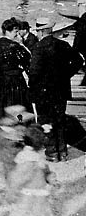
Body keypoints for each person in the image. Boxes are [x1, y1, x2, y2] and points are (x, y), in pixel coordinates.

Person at [28, 17, 84, 161]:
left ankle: (52, 153)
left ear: (41, 32)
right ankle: (62, 151)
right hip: (61, 89)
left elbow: (33, 74)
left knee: (46, 121)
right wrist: (66, 74)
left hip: (43, 91)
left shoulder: (38, 48)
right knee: (60, 119)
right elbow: (79, 60)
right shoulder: (62, 44)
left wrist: (32, 92)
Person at [0, 124, 60, 216]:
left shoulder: (32, 159)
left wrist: (49, 177)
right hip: (30, 200)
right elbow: (17, 180)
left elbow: (18, 179)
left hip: (34, 201)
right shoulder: (29, 161)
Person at [0, 18, 32, 139]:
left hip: (0, 83)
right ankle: (19, 137)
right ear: (9, 31)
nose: (17, 34)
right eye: (15, 32)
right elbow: (27, 59)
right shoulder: (16, 46)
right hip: (15, 82)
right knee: (17, 108)